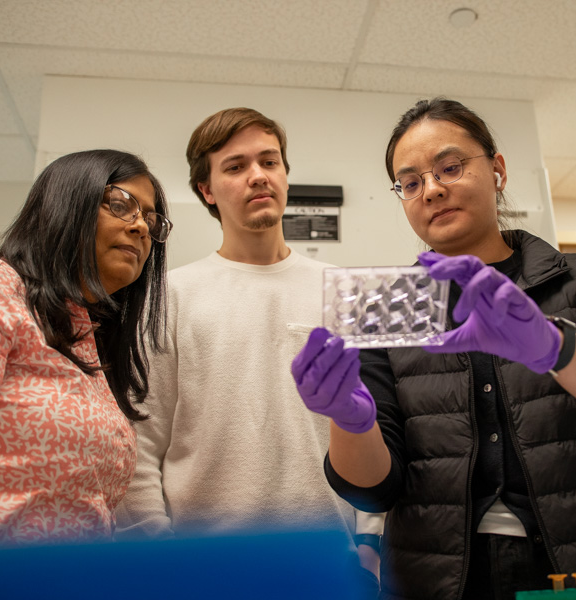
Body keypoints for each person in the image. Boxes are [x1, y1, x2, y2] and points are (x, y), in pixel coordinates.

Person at [290, 98, 576, 600]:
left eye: (450, 167)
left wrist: (555, 348)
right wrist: (350, 421)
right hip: (438, 580)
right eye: (410, 182)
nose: (432, 190)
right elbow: (374, 489)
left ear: (496, 169)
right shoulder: (388, 313)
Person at [114, 107, 382, 588]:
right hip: (202, 566)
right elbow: (139, 443)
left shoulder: (343, 290)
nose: (258, 176)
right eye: (235, 167)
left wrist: (370, 542)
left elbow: (373, 423)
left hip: (329, 559)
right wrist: (158, 556)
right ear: (207, 190)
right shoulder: (168, 296)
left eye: (270, 161)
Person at [0, 149, 172, 547]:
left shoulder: (87, 342)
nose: (140, 227)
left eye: (151, 220)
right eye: (122, 205)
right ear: (65, 205)